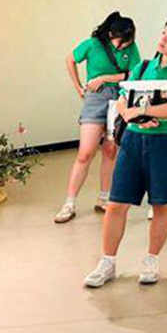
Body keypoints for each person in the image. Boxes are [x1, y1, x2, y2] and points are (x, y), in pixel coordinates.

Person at [83, 18, 167, 287]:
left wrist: (145, 112)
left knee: (160, 203)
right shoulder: (143, 67)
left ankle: (151, 259)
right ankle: (107, 261)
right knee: (116, 203)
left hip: (166, 142)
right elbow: (123, 100)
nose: (163, 39)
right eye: (163, 33)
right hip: (133, 140)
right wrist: (133, 116)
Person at [56, 12, 140, 223]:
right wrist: (78, 87)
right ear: (111, 34)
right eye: (120, 41)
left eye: (127, 42)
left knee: (111, 151)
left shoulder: (131, 48)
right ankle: (69, 203)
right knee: (85, 152)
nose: (123, 46)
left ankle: (104, 198)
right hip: (96, 99)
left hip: (120, 98)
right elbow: (70, 59)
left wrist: (105, 77)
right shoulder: (93, 44)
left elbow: (135, 74)